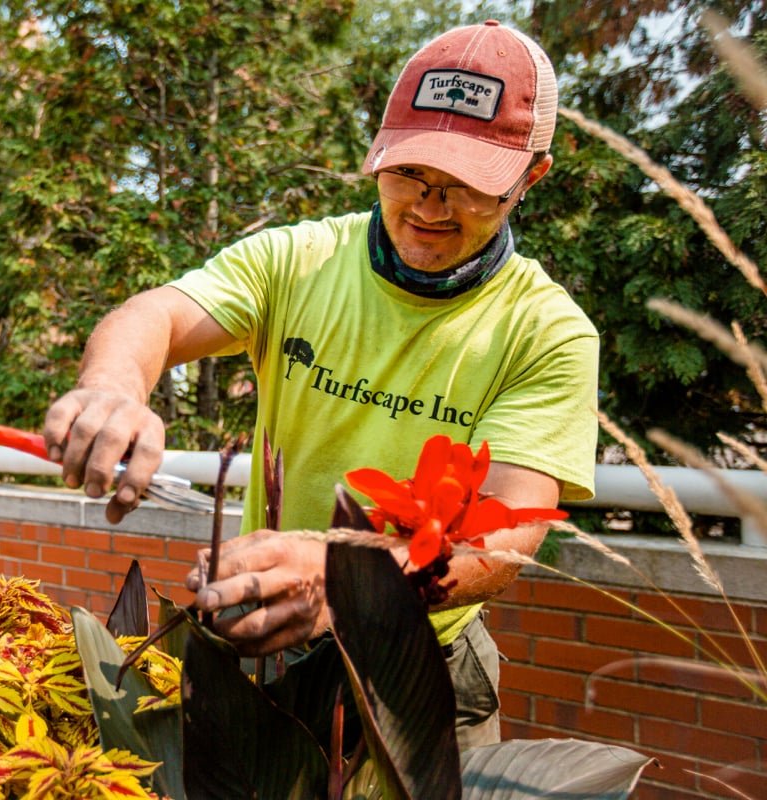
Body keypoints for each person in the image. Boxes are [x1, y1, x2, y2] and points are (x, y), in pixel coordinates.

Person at [43, 20, 598, 751]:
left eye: (466, 187)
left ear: (532, 178)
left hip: (425, 672)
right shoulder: (298, 260)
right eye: (409, 174)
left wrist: (348, 582)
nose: (429, 208)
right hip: (267, 652)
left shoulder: (547, 331)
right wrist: (114, 386)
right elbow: (160, 315)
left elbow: (508, 535)